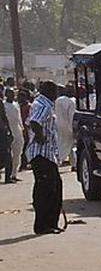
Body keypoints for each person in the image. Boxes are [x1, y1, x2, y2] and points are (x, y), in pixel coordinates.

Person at [27, 81, 62, 234]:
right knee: (46, 190)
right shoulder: (44, 106)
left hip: (48, 155)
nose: (57, 94)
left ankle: (51, 222)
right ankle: (43, 225)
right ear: (50, 91)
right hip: (41, 154)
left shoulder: (40, 102)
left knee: (55, 187)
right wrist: (40, 137)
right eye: (55, 91)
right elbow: (35, 122)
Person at [53, 85, 75, 167]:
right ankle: (73, 164)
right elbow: (71, 116)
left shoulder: (57, 100)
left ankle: (59, 160)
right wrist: (72, 128)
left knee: (60, 143)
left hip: (58, 125)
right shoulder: (70, 101)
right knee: (71, 145)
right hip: (68, 126)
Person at [6, 89, 23, 181]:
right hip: (7, 132)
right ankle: (7, 175)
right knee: (7, 155)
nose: (12, 96)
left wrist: (22, 129)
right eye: (10, 94)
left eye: (13, 94)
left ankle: (14, 174)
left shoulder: (16, 105)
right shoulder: (3, 105)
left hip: (17, 131)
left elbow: (19, 119)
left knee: (18, 153)